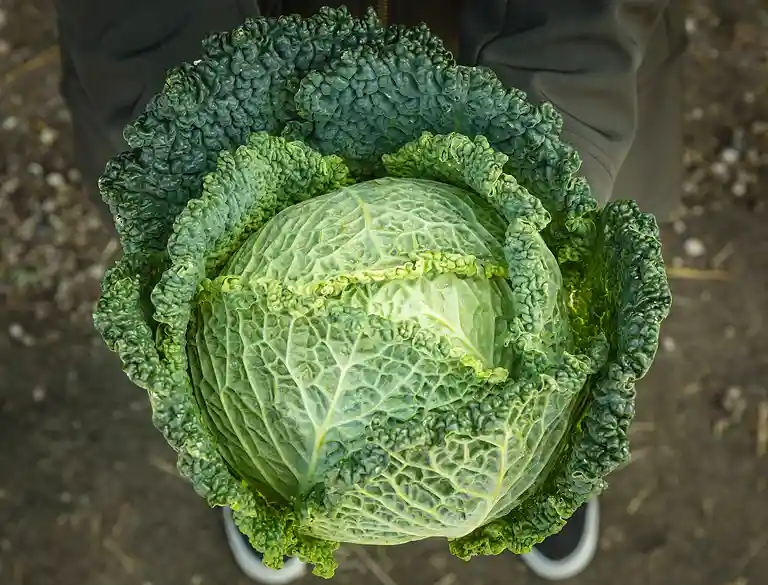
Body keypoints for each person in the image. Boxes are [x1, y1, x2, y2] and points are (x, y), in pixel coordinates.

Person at [54, 0, 686, 582]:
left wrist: (554, 136)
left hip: (545, 78)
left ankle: (555, 459)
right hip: (215, 68)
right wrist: (184, 104)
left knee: (588, 308)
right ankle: (256, 485)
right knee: (180, 247)